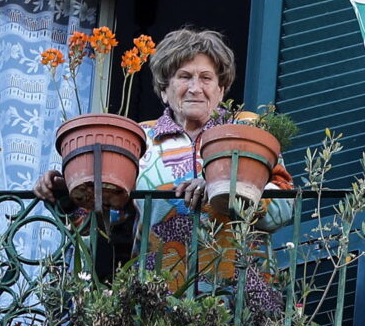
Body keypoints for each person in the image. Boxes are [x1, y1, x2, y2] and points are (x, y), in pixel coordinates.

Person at [35, 25, 292, 290]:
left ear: (221, 89)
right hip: (158, 299)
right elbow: (104, 222)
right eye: (184, 77)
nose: (195, 88)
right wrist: (66, 195)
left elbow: (284, 208)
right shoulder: (138, 140)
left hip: (241, 298)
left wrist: (224, 187)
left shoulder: (248, 130)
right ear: (164, 90)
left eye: (206, 78)